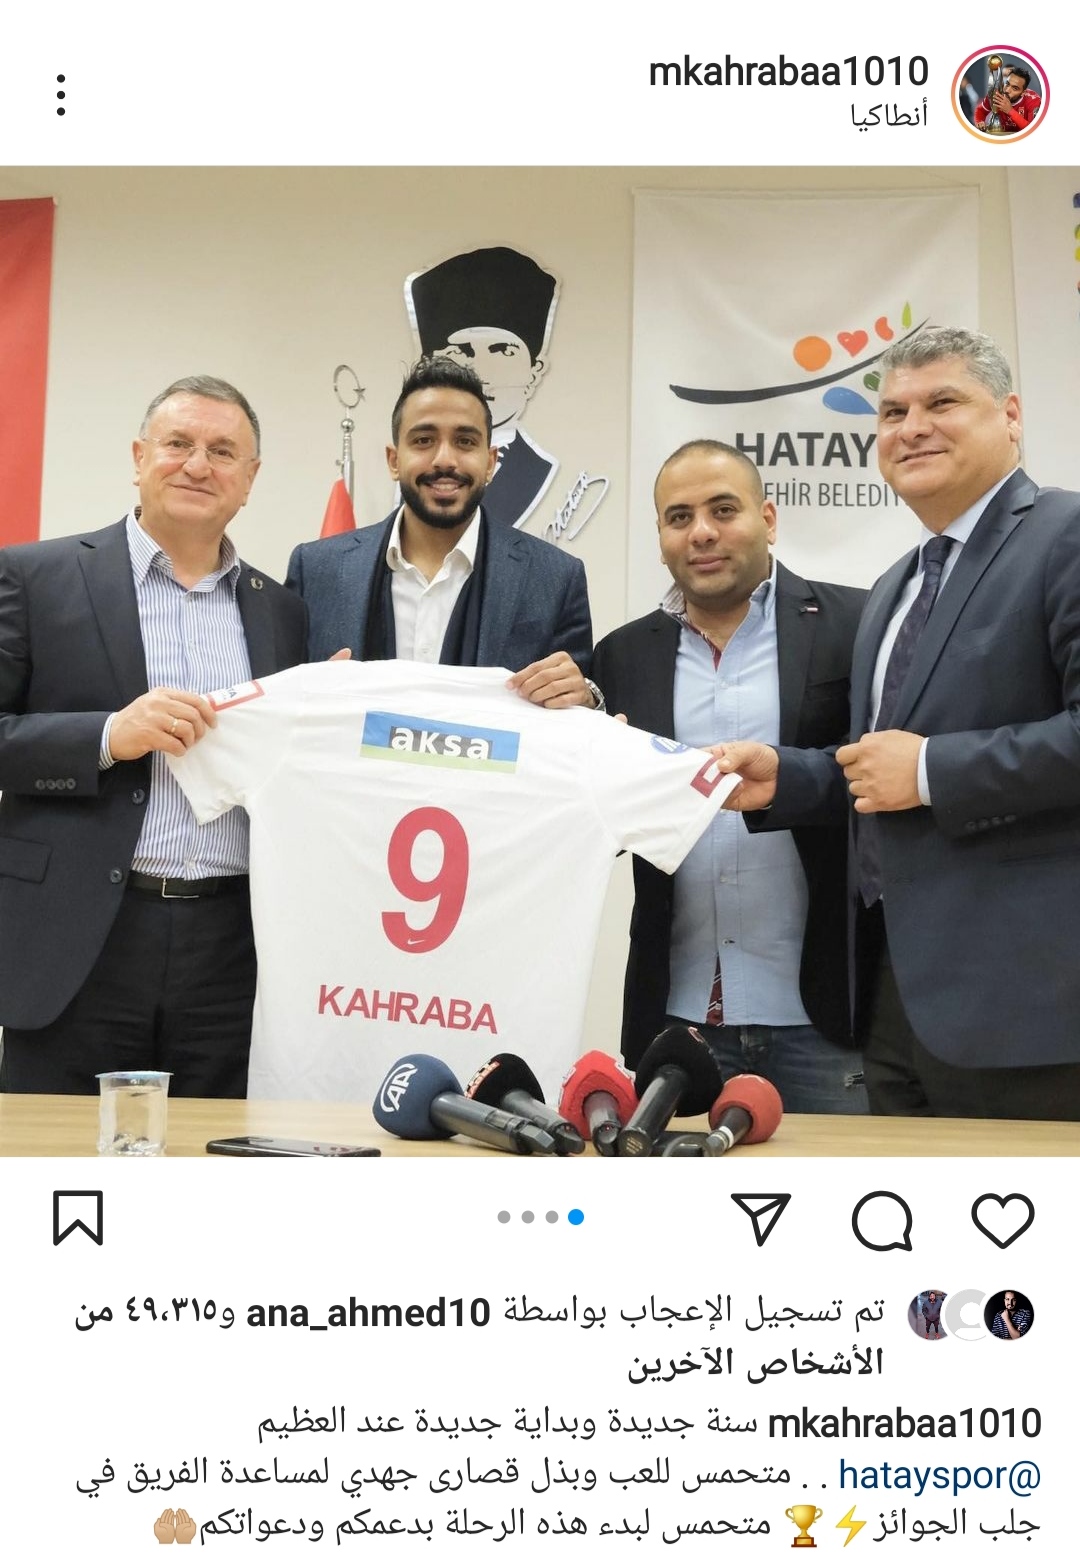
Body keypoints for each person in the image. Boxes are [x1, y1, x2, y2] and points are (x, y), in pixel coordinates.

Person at [717, 327, 1080, 1120]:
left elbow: (915, 769)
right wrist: (791, 777)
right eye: (892, 412)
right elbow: (878, 767)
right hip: (891, 1002)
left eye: (942, 402)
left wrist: (928, 771)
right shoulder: (893, 587)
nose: (912, 427)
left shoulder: (1066, 533)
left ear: (1011, 416)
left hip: (1031, 1011)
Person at [0, 375, 308, 1096]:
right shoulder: (36, 576)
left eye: (223, 452)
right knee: (55, 1155)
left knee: (212, 1154)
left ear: (249, 479)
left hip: (233, 949)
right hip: (81, 938)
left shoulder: (283, 611)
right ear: (140, 457)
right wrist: (109, 735)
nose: (198, 465)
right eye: (178, 444)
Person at [590, 440, 867, 1111]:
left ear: (768, 519)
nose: (702, 533)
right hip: (678, 1017)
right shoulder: (621, 656)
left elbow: (880, 776)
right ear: (661, 538)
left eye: (723, 510)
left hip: (827, 1020)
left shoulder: (854, 625)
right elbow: (605, 824)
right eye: (679, 517)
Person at [287, 356, 600, 709]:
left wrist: (584, 699)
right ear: (394, 460)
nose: (445, 460)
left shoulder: (555, 579)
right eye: (424, 440)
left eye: (465, 441)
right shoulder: (316, 571)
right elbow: (279, 704)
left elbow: (577, 712)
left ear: (490, 462)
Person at [405, 247, 560, 528]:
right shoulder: (413, 474)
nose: (480, 372)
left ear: (534, 371)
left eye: (502, 351)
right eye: (461, 350)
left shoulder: (536, 469)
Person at [974, 64, 1041, 134]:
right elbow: (980, 110)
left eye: (1015, 88)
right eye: (1007, 84)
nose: (1007, 90)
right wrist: (979, 122)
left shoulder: (1033, 100)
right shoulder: (996, 94)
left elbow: (1032, 130)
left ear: (1023, 93)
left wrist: (1010, 111)